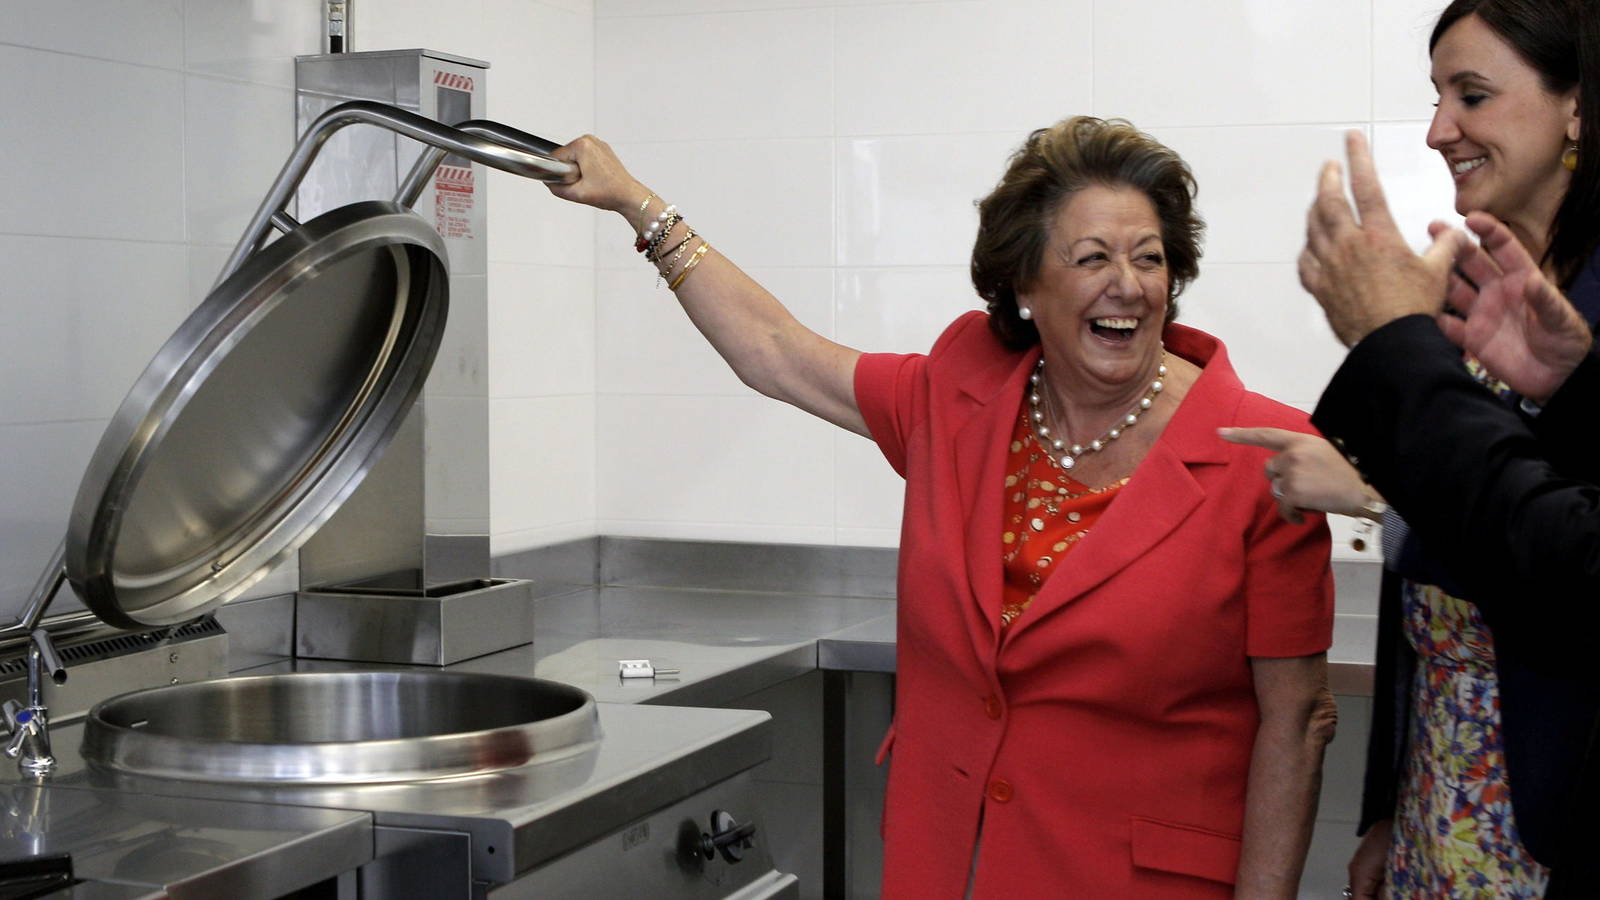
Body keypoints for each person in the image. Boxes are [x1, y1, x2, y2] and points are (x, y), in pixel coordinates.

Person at [544, 117, 1336, 896]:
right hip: (948, 859)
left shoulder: (1264, 456)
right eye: (1092, 257)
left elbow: (1296, 724)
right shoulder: (960, 397)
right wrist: (636, 204)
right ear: (1026, 284)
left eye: (1149, 258)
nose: (1127, 284)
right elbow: (776, 352)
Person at [1222, 1, 1600, 895]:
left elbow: (1556, 551)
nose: (1438, 131)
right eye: (1436, 96)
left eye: (1471, 94)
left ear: (1577, 108)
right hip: (1443, 759)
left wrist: (1374, 485)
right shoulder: (1495, 284)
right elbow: (1424, 611)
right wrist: (1389, 801)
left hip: (1541, 785)